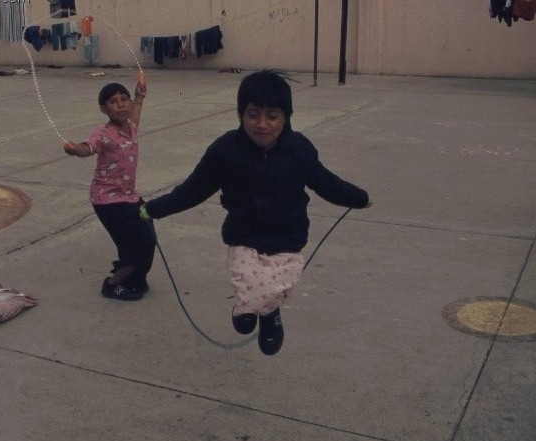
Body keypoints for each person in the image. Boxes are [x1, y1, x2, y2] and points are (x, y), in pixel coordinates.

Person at [139, 70, 372, 355]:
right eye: (253, 115)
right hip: (244, 235)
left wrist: (359, 198)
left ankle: (268, 314)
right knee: (247, 278)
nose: (262, 125)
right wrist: (152, 209)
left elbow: (326, 183)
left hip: (288, 236)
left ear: (286, 117)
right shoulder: (225, 150)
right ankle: (250, 308)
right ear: (240, 115)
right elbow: (192, 190)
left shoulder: (299, 150)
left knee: (278, 286)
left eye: (272, 116)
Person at [63, 79, 155, 301]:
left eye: (124, 100)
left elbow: (136, 111)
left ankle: (135, 278)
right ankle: (113, 284)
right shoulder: (102, 133)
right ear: (104, 109)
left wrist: (139, 96)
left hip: (128, 196)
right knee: (135, 245)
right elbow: (89, 147)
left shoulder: (131, 127)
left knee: (148, 237)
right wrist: (76, 149)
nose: (121, 105)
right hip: (107, 200)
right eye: (113, 102)